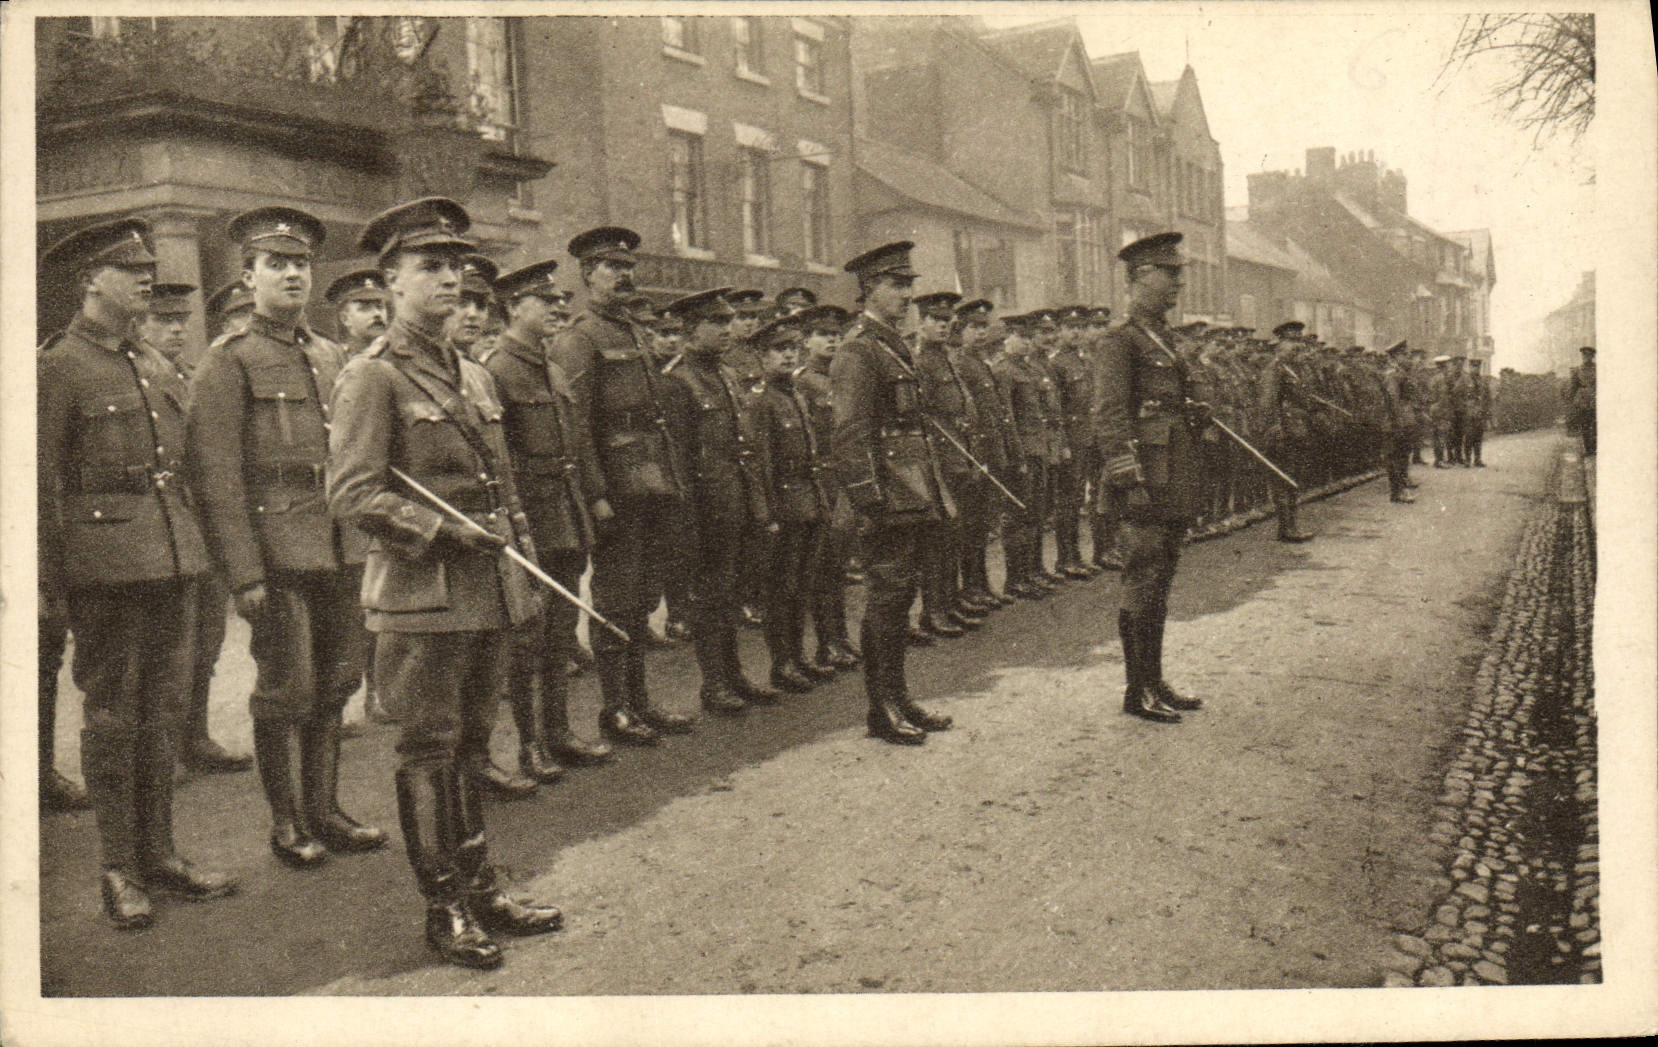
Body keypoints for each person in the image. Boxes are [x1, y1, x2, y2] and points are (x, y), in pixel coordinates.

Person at [329, 196, 562, 970]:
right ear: (390, 282)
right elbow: (353, 493)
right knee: (428, 749)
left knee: (471, 742)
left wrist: (521, 571)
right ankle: (446, 907)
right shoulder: (373, 376)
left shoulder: (473, 374)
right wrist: (440, 530)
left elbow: (507, 490)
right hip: (423, 595)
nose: (450, 280)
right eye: (429, 266)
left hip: (488, 589)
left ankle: (483, 886)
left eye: (456, 266)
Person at [39, 217, 238, 929]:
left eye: (149, 269)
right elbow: (38, 481)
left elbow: (189, 469)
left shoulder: (153, 363)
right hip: (104, 570)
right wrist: (45, 583)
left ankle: (161, 855)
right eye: (130, 270)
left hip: (174, 560)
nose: (146, 279)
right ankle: (118, 868)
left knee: (163, 712)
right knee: (113, 716)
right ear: (91, 281)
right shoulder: (59, 366)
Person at [188, 207, 386, 869]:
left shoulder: (330, 356)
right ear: (249, 277)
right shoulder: (229, 361)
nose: (293, 275)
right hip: (277, 553)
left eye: (301, 263)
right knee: (288, 688)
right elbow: (216, 478)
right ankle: (286, 822)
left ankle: (324, 809)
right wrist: (243, 574)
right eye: (276, 264)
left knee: (338, 680)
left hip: (339, 543)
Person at [549, 227, 696, 747]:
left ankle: (640, 700)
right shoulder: (580, 338)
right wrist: (595, 495)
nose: (624, 276)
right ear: (588, 275)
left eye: (628, 267)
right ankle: (615, 709)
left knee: (641, 598)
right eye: (612, 268)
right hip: (618, 491)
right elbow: (576, 425)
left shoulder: (632, 331)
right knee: (616, 599)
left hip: (653, 483)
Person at [484, 258, 616, 778]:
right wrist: (511, 524)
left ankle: (558, 733)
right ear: (514, 307)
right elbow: (497, 456)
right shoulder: (497, 370)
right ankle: (530, 744)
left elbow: (578, 440)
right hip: (530, 518)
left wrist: (594, 496)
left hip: (566, 512)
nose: (559, 308)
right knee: (527, 637)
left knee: (561, 632)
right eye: (546, 301)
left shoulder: (553, 368)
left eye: (561, 300)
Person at [830, 241, 955, 745]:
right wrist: (869, 499)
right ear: (868, 290)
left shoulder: (891, 345)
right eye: (896, 285)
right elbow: (849, 433)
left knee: (900, 596)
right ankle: (881, 709)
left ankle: (899, 698)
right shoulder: (859, 350)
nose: (907, 295)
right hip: (885, 496)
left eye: (908, 285)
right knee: (886, 598)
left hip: (911, 489)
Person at [1093, 232, 1209, 725]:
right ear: (1141, 276)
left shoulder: (1163, 338)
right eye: (1170, 273)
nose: (1179, 282)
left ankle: (1154, 681)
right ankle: (1136, 689)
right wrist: (1129, 482)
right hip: (1143, 481)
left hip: (1172, 475)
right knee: (1141, 580)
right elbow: (1109, 415)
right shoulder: (1119, 341)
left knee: (1160, 580)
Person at [663, 288, 784, 712]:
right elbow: (678, 458)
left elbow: (745, 445)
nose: (728, 329)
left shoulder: (727, 374)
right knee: (710, 596)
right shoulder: (678, 381)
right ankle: (713, 684)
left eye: (729, 321)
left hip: (738, 500)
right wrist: (687, 520)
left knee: (731, 592)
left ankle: (734, 676)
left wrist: (759, 502)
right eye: (716, 322)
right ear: (691, 330)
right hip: (706, 509)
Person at [751, 313, 836, 690]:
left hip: (808, 501)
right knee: (781, 588)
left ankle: (798, 657)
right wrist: (767, 514)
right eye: (779, 350)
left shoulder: (796, 395)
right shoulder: (761, 401)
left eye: (792, 348)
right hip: (784, 506)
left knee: (802, 584)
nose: (788, 356)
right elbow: (762, 463)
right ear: (762, 356)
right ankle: (782, 663)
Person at [911, 290, 985, 638]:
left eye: (946, 321)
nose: (942, 326)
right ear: (921, 323)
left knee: (955, 535)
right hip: (940, 462)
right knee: (938, 539)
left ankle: (951, 601)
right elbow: (923, 417)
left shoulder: (946, 359)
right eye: (935, 320)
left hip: (960, 456)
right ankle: (934, 610)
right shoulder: (921, 363)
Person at [794, 304, 862, 670]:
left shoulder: (843, 378)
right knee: (823, 566)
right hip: (822, 479)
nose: (832, 340)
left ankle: (840, 638)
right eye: (823, 335)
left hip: (844, 475)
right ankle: (827, 643)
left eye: (836, 334)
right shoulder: (802, 382)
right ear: (806, 341)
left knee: (838, 565)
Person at [950, 298, 1015, 610]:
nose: (980, 333)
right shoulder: (960, 364)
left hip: (988, 450)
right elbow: (966, 416)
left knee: (982, 524)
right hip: (973, 454)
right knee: (969, 524)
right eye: (973, 327)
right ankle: (971, 587)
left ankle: (982, 583)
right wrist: (977, 456)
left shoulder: (979, 362)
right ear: (960, 330)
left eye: (983, 327)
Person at [1049, 306, 1099, 578]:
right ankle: (1065, 558)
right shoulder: (1056, 364)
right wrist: (1063, 443)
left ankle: (1076, 556)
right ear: (1060, 331)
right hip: (1071, 439)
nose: (1076, 333)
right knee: (1067, 500)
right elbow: (1056, 408)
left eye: (1080, 327)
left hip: (1087, 436)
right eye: (1070, 328)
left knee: (1079, 497)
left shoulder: (1084, 360)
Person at [1258, 322, 1317, 543]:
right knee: (1284, 480)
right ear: (1279, 345)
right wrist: (1275, 431)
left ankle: (1291, 525)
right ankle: (1287, 528)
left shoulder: (1293, 370)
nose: (1296, 348)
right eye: (1291, 343)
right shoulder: (1274, 370)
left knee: (1293, 478)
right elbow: (1267, 404)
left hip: (1297, 429)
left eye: (1298, 343)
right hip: (1283, 432)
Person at [1379, 340, 1419, 503]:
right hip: (1396, 422)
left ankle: (1401, 489)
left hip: (1404, 420)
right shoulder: (1393, 375)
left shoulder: (1401, 373)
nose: (1408, 358)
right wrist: (1398, 422)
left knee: (1402, 455)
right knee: (1395, 457)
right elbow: (1393, 399)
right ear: (1395, 357)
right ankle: (1397, 491)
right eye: (1404, 355)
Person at [325, 269, 390, 359]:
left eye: (380, 307)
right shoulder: (336, 360)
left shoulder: (400, 357)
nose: (377, 314)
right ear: (345, 319)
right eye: (365, 308)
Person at [1567, 346, 1596, 457]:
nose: (1586, 357)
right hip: (1583, 400)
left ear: (1592, 356)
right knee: (1585, 425)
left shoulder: (1598, 369)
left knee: (1595, 425)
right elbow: (1573, 387)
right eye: (1584, 355)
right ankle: (1588, 449)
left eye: (1589, 355)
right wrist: (1571, 400)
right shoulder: (1577, 370)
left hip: (1595, 398)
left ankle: (1595, 448)